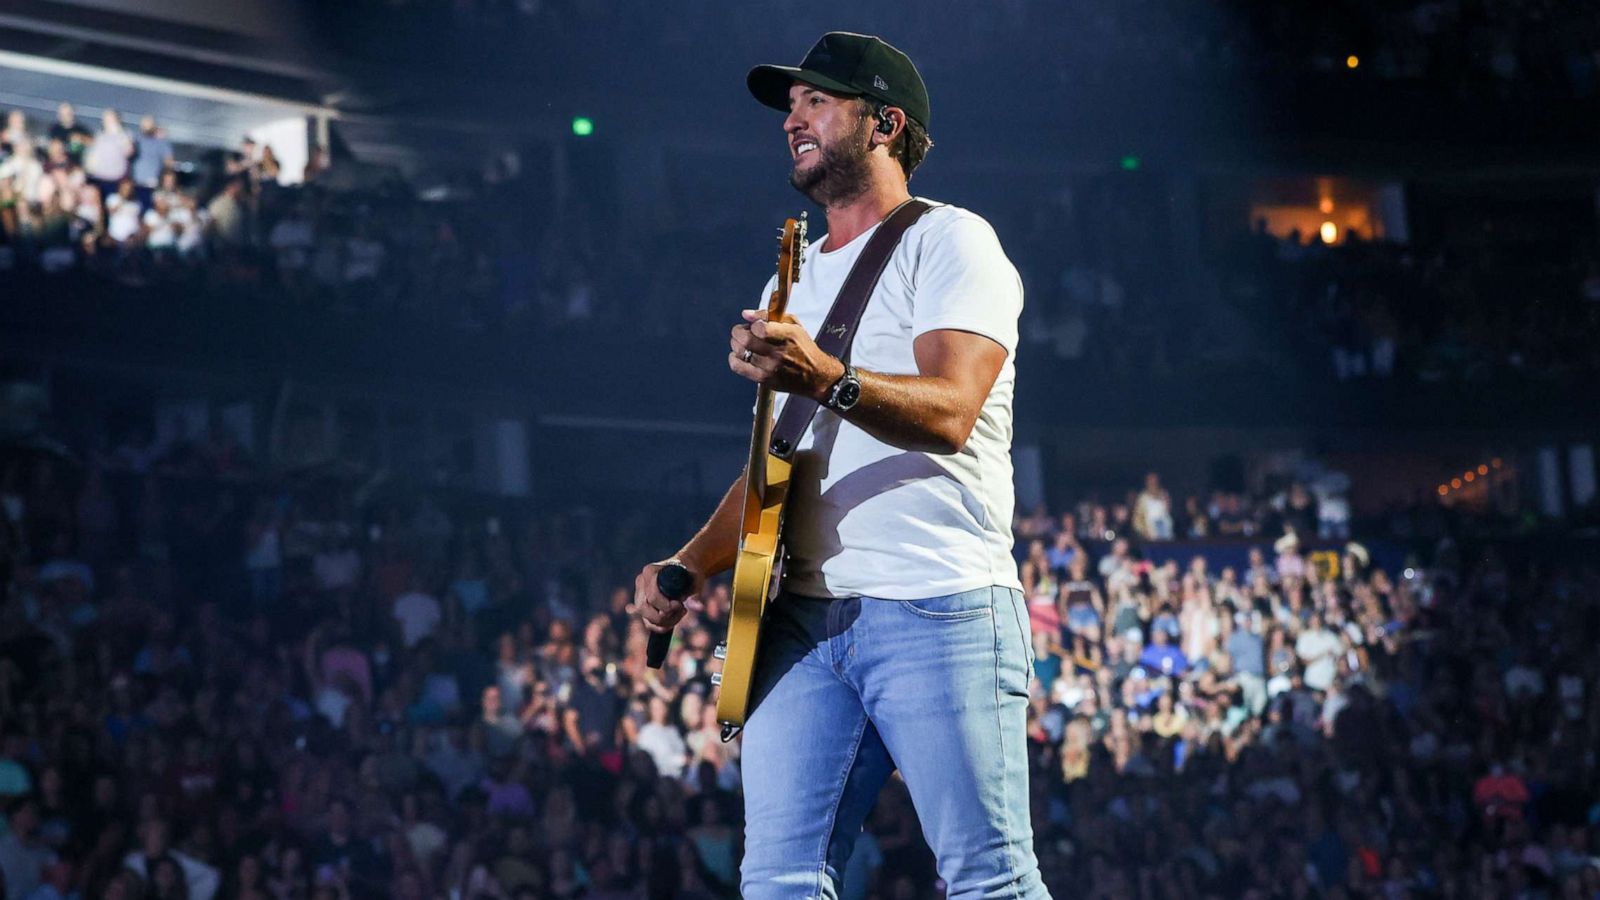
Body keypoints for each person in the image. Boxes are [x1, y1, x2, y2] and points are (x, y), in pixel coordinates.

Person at [634, 31, 1048, 899]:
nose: (794, 119)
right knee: (779, 881)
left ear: (885, 123)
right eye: (791, 106)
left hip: (939, 606)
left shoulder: (952, 242)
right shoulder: (789, 275)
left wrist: (822, 374)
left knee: (987, 878)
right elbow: (778, 463)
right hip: (805, 622)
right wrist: (689, 563)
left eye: (817, 100)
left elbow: (953, 410)